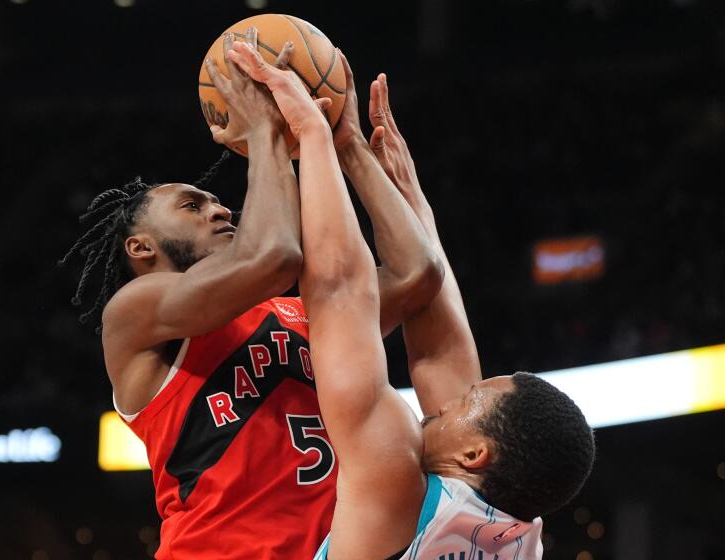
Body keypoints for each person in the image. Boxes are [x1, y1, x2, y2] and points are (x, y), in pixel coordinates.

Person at [59, 28, 442, 560]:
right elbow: (274, 257)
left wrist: (346, 143)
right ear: (141, 247)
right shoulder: (137, 310)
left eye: (218, 202)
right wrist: (268, 130)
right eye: (193, 206)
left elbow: (417, 274)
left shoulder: (295, 311)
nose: (221, 209)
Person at [227, 41, 595, 560]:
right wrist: (383, 173)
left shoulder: (394, 479)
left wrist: (314, 134)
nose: (450, 400)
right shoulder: (516, 536)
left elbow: (339, 291)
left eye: (468, 402)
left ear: (474, 453)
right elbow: (440, 350)